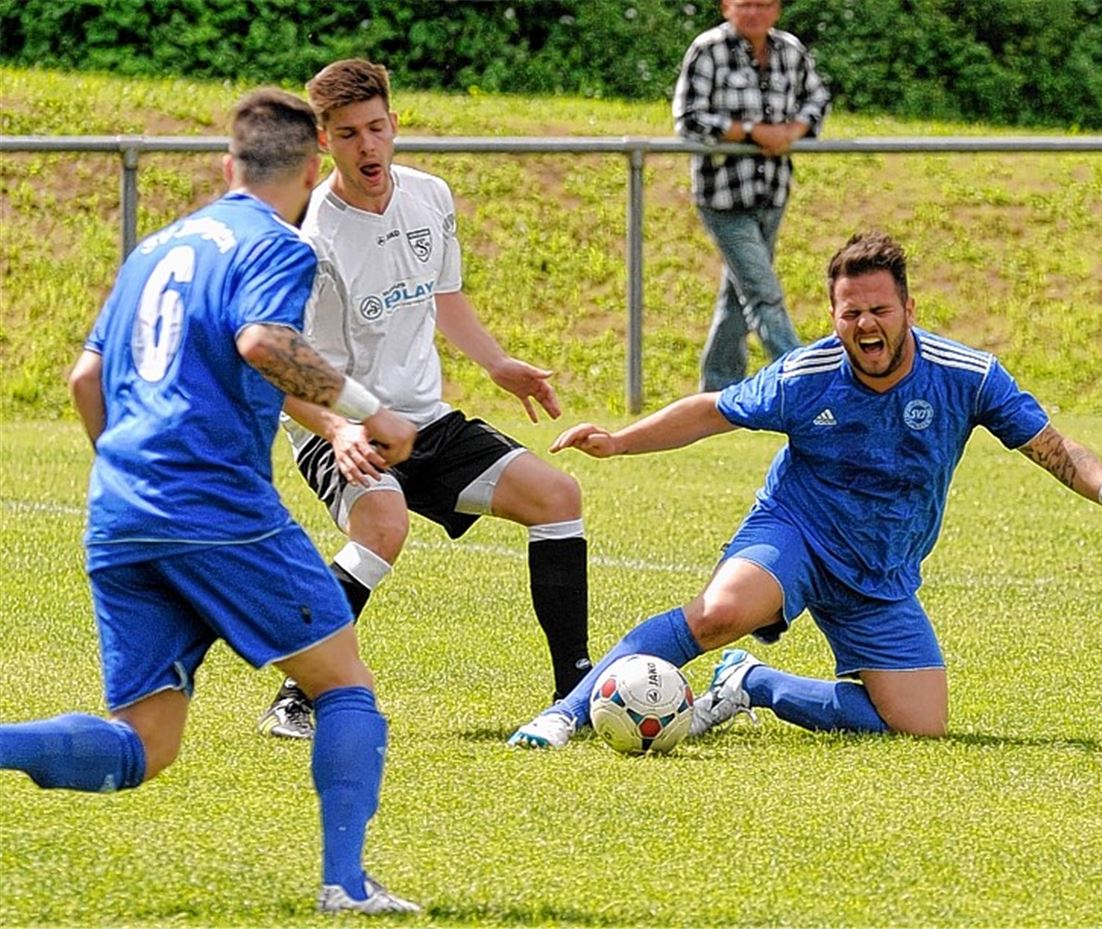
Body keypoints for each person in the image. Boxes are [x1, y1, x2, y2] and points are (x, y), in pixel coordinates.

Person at [0, 89, 420, 915]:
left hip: (120, 508)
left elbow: (86, 378)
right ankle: (346, 883)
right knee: (342, 684)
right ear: (311, 170)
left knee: (145, 745)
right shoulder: (277, 243)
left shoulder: (154, 247)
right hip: (215, 506)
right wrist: (377, 413)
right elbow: (263, 341)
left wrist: (135, 481)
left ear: (228, 165)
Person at [508, 231, 1102, 749]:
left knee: (920, 727)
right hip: (797, 532)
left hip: (880, 568)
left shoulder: (967, 376)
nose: (866, 323)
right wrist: (619, 442)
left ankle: (754, 683)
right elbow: (711, 410)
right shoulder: (806, 374)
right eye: (851, 311)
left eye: (879, 309)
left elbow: (1056, 449)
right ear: (835, 317)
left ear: (909, 312)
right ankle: (566, 714)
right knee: (721, 612)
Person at [256, 58, 592, 740]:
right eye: (348, 134)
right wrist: (339, 429)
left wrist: (498, 364)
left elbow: (443, 297)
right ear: (323, 142)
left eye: (376, 128)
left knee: (558, 498)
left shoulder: (429, 197)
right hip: (341, 428)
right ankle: (296, 694)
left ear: (395, 124)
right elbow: (281, 370)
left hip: (428, 422)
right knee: (382, 529)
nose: (368, 146)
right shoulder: (308, 240)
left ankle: (575, 691)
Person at [673, 0, 830, 391]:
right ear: (727, 7)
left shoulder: (791, 50)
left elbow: (818, 99)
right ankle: (806, 384)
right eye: (745, 4)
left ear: (777, 10)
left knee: (737, 296)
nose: (754, 13)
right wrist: (750, 132)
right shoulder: (707, 49)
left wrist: (792, 131)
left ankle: (718, 388)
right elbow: (689, 117)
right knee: (763, 293)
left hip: (772, 192)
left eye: (764, 4)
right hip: (723, 195)